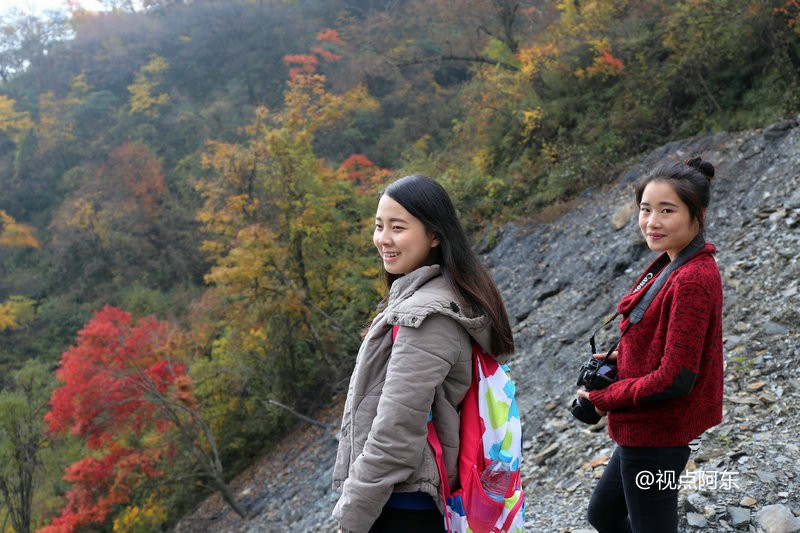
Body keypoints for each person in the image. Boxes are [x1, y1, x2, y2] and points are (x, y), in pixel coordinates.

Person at [332, 174, 515, 533]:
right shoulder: (436, 296)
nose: (383, 239)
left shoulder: (427, 319)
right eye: (378, 225)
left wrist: (352, 516)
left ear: (434, 235)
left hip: (402, 504)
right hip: (405, 498)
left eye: (397, 227)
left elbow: (396, 431)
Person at [576, 156, 724, 533]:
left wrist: (603, 399)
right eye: (645, 209)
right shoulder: (670, 262)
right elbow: (663, 338)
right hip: (643, 429)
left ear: (698, 214)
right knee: (604, 515)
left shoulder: (691, 278)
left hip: (658, 436)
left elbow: (675, 377)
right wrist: (620, 356)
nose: (652, 222)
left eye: (667, 210)